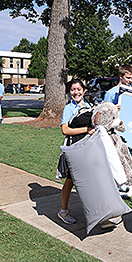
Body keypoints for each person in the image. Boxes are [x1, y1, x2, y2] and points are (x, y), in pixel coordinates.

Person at [59, 79, 96, 225]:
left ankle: (94, 211)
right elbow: (65, 130)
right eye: (73, 89)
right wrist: (86, 130)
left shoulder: (89, 106)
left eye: (79, 89)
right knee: (70, 180)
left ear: (84, 90)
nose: (76, 92)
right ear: (69, 92)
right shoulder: (68, 108)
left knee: (90, 179)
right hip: (74, 148)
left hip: (88, 147)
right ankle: (63, 211)